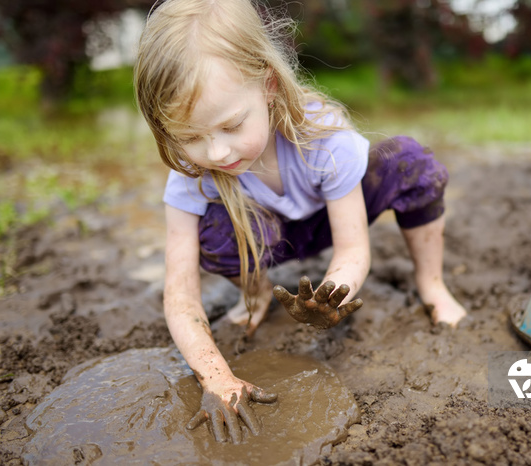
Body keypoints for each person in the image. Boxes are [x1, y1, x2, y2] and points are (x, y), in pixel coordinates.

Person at [134, 0, 467, 444]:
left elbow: (352, 250)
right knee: (209, 229)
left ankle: (432, 284)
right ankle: (254, 293)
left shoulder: (324, 137)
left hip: (334, 217)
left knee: (412, 163)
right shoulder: (192, 178)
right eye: (190, 137)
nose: (217, 153)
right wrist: (216, 376)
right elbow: (179, 293)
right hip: (267, 236)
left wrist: (333, 294)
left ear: (268, 85)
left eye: (231, 126)